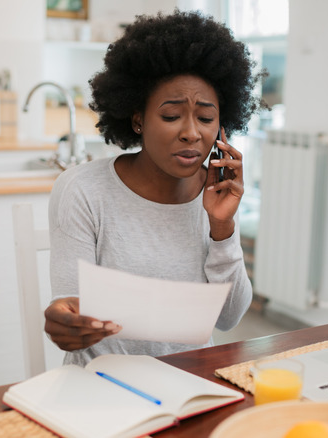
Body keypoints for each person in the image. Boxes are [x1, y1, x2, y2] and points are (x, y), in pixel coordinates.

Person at [44, 9, 267, 366]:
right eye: (171, 115)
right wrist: (66, 322)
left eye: (207, 118)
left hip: (195, 384)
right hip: (103, 384)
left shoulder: (216, 195)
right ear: (137, 119)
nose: (192, 132)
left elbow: (228, 319)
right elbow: (71, 306)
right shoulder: (84, 190)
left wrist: (222, 228)